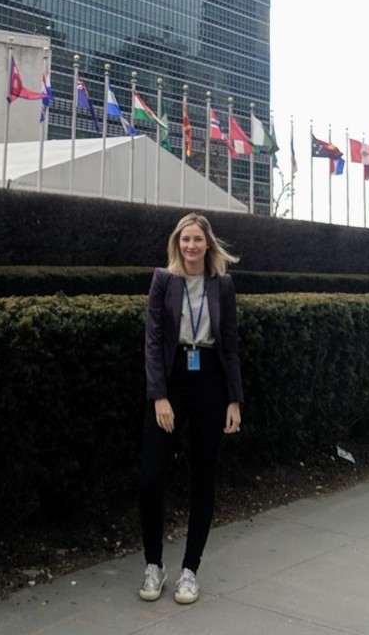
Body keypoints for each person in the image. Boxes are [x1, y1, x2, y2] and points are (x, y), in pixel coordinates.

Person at [138, 211, 244, 605]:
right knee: (151, 478)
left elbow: (231, 345)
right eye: (185, 239)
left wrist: (234, 399)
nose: (191, 246)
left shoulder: (223, 286)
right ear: (177, 243)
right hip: (173, 382)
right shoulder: (163, 281)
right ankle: (154, 564)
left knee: (204, 479)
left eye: (198, 239)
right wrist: (159, 395)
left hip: (211, 385)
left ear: (208, 244)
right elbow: (153, 341)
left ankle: (189, 571)